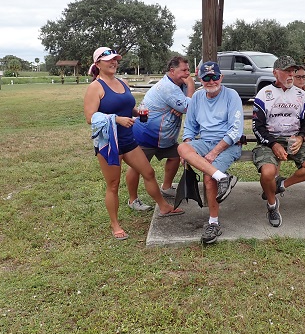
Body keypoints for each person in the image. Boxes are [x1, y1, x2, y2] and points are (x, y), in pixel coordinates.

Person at [83, 46, 183, 241]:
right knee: (113, 185)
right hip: (109, 143)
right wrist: (117, 119)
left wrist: (137, 112)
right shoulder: (95, 87)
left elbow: (126, 106)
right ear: (98, 64)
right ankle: (115, 224)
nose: (114, 63)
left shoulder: (123, 82)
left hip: (128, 140)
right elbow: (90, 117)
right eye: (109, 60)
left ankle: (163, 207)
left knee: (149, 172)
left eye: (115, 59)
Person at [252, 56, 305, 227]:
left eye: (293, 71)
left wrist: (301, 137)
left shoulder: (300, 94)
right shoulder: (264, 94)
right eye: (287, 71)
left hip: (295, 138)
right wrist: (273, 144)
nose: (291, 74)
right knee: (268, 173)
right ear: (275, 73)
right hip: (270, 140)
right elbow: (257, 126)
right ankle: (272, 205)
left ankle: (281, 185)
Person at [177, 61, 243, 244]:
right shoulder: (197, 97)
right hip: (205, 142)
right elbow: (190, 128)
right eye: (206, 77)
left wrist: (214, 153)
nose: (211, 81)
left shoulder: (231, 95)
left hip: (228, 144)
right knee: (182, 148)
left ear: (221, 77)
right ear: (200, 79)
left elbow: (235, 131)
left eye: (215, 76)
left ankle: (213, 223)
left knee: (208, 177)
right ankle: (223, 177)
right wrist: (188, 149)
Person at [125, 56, 195, 211]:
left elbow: (186, 104)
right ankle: (133, 200)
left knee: (175, 155)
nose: (187, 74)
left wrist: (181, 106)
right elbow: (188, 107)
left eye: (188, 70)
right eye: (184, 70)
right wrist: (191, 86)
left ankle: (166, 187)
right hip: (146, 135)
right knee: (137, 167)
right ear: (172, 71)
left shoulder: (178, 84)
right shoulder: (167, 87)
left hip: (164, 137)